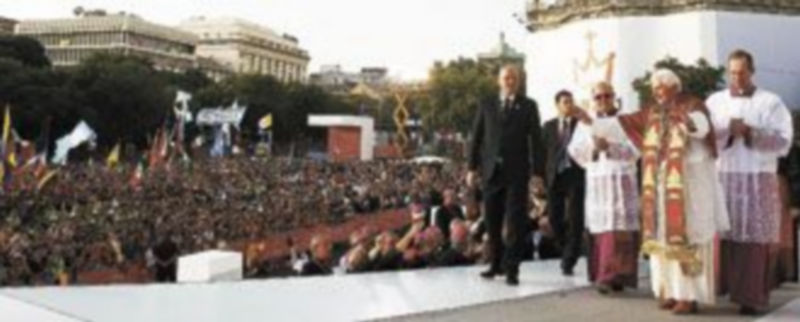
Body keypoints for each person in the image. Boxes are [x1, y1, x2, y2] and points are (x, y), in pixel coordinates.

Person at [571, 69, 729, 314]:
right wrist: (589, 121)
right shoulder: (652, 112)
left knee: (689, 235)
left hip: (691, 182)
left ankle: (689, 295)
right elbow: (619, 126)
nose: (657, 92)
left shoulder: (692, 104)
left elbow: (703, 126)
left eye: (661, 87)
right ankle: (670, 290)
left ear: (675, 87)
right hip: (664, 181)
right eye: (654, 88)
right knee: (663, 235)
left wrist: (688, 122)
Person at [706, 49, 794, 315]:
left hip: (757, 179)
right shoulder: (715, 102)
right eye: (732, 73)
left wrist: (751, 132)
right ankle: (725, 289)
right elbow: (704, 138)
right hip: (725, 177)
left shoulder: (771, 102)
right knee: (725, 235)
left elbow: (783, 141)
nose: (737, 78)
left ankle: (751, 296)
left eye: (742, 72)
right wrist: (726, 132)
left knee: (754, 240)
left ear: (752, 72)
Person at [467, 64, 545, 286]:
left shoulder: (529, 106)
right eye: (506, 77)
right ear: (499, 81)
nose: (510, 81)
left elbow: (536, 141)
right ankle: (495, 264)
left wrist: (538, 172)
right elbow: (476, 138)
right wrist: (471, 168)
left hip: (517, 174)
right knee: (491, 221)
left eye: (514, 78)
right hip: (491, 172)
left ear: (519, 82)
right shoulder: (487, 104)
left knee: (514, 223)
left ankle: (512, 269)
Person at [568, 82, 641, 293]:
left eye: (607, 96)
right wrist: (593, 147)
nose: (603, 101)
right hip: (599, 182)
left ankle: (619, 277)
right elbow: (575, 150)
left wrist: (611, 147)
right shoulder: (585, 124)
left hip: (621, 181)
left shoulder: (626, 120)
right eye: (598, 97)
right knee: (602, 229)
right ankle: (604, 275)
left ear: (614, 97)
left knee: (620, 230)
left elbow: (637, 149)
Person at [543, 90, 586, 276]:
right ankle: (564, 246)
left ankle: (569, 258)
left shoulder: (581, 125)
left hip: (575, 175)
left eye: (571, 101)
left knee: (576, 218)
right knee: (554, 217)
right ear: (558, 105)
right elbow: (542, 151)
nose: (569, 104)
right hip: (555, 176)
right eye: (565, 102)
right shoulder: (549, 126)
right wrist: (538, 174)